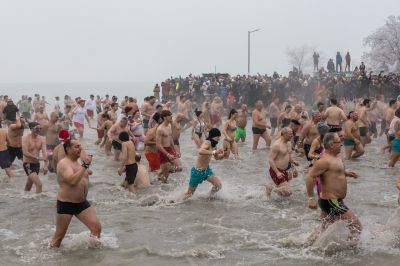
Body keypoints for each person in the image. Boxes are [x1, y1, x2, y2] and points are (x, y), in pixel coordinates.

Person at [305, 132, 362, 245]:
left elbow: (335, 172)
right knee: (357, 226)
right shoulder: (324, 160)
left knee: (324, 228)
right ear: (331, 145)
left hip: (331, 201)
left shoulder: (336, 157)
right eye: (338, 142)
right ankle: (350, 252)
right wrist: (311, 198)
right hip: (332, 201)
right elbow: (310, 176)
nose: (341, 143)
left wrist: (347, 173)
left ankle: (305, 246)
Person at [50, 139, 101, 248]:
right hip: (66, 203)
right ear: (68, 149)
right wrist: (85, 166)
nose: (80, 149)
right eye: (76, 147)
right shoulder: (64, 163)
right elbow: (72, 181)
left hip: (81, 203)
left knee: (96, 228)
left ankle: (93, 257)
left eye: (80, 146)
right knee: (59, 237)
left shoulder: (78, 162)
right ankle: (51, 258)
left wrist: (86, 169)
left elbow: (83, 174)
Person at [184, 128, 224, 199]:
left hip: (206, 171)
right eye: (218, 136)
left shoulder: (214, 145)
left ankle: (209, 197)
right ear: (213, 136)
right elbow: (200, 150)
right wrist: (214, 152)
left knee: (218, 185)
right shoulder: (207, 142)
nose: (219, 138)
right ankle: (175, 201)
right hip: (197, 172)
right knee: (189, 194)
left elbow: (217, 157)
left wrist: (224, 155)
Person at [267, 127, 299, 197]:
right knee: (288, 192)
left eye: (292, 134)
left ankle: (271, 188)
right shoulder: (277, 145)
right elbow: (270, 159)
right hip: (276, 170)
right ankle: (271, 188)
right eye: (290, 134)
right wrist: (277, 172)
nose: (292, 135)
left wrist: (293, 163)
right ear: (283, 134)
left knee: (283, 193)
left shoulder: (289, 143)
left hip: (286, 169)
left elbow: (288, 155)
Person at [21, 122, 48, 193]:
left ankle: (24, 198)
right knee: (39, 184)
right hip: (28, 164)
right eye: (36, 128)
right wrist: (37, 157)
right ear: (31, 128)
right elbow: (25, 153)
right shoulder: (25, 138)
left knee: (29, 185)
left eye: (40, 128)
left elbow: (45, 154)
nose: (38, 130)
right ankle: (39, 202)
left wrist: (45, 165)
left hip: (36, 165)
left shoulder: (42, 139)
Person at [156, 110, 181, 182]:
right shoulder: (160, 129)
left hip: (169, 148)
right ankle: (162, 182)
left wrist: (175, 150)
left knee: (179, 167)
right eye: (170, 116)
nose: (171, 117)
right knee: (166, 175)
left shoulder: (169, 125)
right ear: (164, 117)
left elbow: (170, 139)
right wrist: (167, 154)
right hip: (162, 151)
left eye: (171, 115)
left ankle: (160, 173)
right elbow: (158, 145)